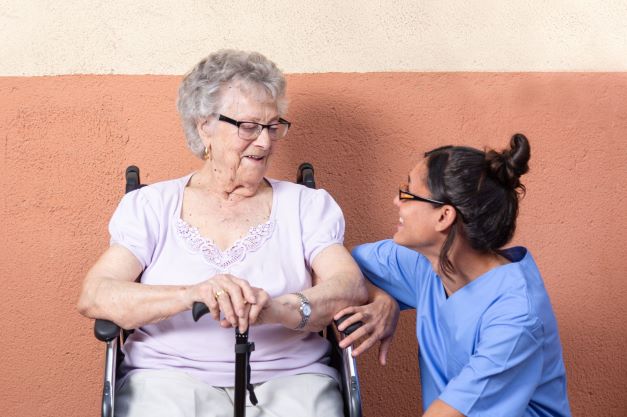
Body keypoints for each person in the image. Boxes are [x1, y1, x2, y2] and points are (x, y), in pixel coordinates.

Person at [77, 49, 367, 417]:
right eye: (248, 127)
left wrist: (276, 309)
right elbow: (96, 295)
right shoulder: (152, 205)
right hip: (167, 380)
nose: (264, 142)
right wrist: (194, 294)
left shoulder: (306, 205)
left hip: (293, 378)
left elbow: (349, 287)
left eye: (273, 126)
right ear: (204, 126)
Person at [336, 134, 572, 417]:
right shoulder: (424, 263)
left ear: (444, 217)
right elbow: (337, 264)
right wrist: (381, 296)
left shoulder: (517, 317)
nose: (396, 200)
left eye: (408, 193)